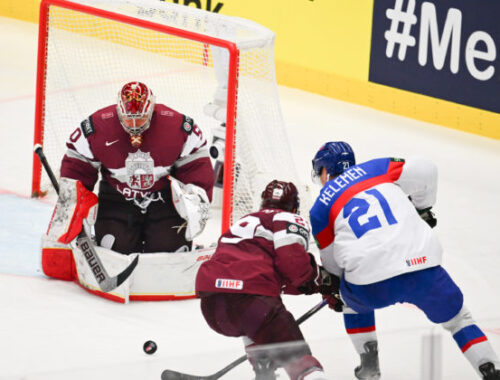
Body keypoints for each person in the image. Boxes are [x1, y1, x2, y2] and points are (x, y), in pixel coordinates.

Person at [308, 141, 500, 380]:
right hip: (423, 268)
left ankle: (369, 365)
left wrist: (337, 291)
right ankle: (490, 368)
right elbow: (427, 168)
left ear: (325, 171)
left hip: (371, 285)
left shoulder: (319, 208)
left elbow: (333, 265)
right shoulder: (377, 168)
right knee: (459, 318)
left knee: (349, 298)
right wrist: (422, 208)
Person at [42, 81, 214, 279]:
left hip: (164, 201)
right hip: (117, 198)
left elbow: (196, 165)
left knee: (168, 254)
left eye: (139, 119)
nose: (133, 126)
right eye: (128, 118)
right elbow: (77, 167)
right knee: (113, 251)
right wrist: (73, 202)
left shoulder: (179, 126)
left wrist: (194, 197)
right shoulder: (96, 127)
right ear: (118, 109)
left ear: (151, 109)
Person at [196, 180, 339, 380]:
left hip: (212, 305)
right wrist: (325, 283)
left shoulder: (244, 221)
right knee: (302, 364)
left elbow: (267, 273)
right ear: (295, 206)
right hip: (252, 304)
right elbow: (293, 266)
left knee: (253, 324)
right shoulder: (287, 218)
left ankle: (263, 370)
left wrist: (319, 285)